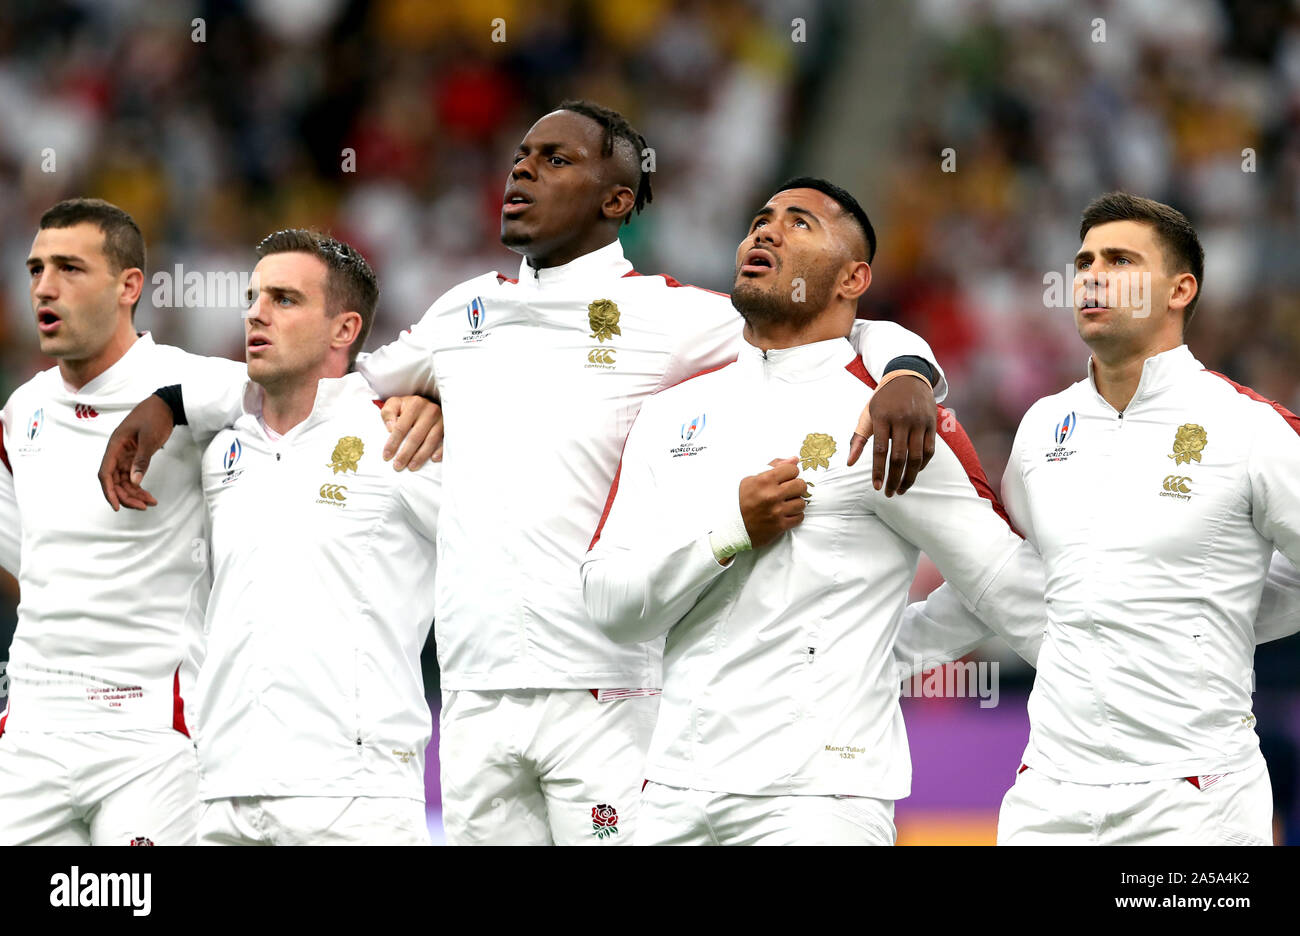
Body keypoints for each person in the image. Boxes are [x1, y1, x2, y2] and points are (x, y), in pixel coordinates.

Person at [101, 102, 949, 845]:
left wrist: (910, 373)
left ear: (617, 201)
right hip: (472, 695)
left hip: (607, 688)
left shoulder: (672, 315)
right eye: (520, 158)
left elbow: (826, 328)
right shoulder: (463, 312)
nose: (523, 171)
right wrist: (179, 398)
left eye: (556, 161)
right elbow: (328, 388)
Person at [581, 179, 1046, 845]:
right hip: (671, 796)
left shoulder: (892, 418)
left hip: (818, 803)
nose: (764, 232)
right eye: (759, 220)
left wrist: (889, 651)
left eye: (799, 223)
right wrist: (730, 532)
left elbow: (1004, 582)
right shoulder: (669, 414)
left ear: (853, 278)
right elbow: (612, 607)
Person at [906, 192, 1300, 845]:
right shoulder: (1039, 431)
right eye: (1085, 260)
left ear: (1180, 289)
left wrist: (1216, 614)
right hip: (1048, 800)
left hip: (1194, 801)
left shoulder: (1250, 430)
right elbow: (1022, 583)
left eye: (1120, 260)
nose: (1091, 274)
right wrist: (881, 655)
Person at [0, 198, 246, 845]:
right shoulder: (21, 410)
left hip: (149, 734)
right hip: (31, 729)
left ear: (128, 286)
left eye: (70, 269)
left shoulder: (188, 383)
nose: (44, 287)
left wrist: (170, 406)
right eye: (35, 269)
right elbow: (21, 562)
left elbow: (296, 389)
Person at [195, 230, 440, 845]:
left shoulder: (401, 436)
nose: (255, 312)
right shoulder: (221, 450)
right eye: (253, 296)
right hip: (222, 795)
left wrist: (447, 405)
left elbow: (501, 547)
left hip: (354, 799)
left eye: (284, 299)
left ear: (344, 329)